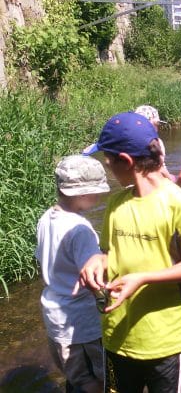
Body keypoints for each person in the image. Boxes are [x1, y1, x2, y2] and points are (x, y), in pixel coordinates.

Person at [78, 112, 181, 392]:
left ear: (126, 161)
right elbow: (109, 253)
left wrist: (142, 278)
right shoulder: (116, 204)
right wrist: (96, 259)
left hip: (165, 341)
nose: (106, 165)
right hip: (118, 336)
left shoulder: (179, 204)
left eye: (108, 159)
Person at [36, 155, 110, 393]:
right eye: (97, 191)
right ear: (83, 193)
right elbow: (93, 277)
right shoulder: (80, 230)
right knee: (98, 381)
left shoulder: (47, 218)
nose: (100, 197)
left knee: (75, 377)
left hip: (54, 311)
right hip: (80, 322)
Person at [134, 105, 175, 181]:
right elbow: (160, 167)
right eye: (156, 124)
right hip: (155, 182)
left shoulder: (130, 141)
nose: (157, 128)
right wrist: (172, 182)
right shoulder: (156, 142)